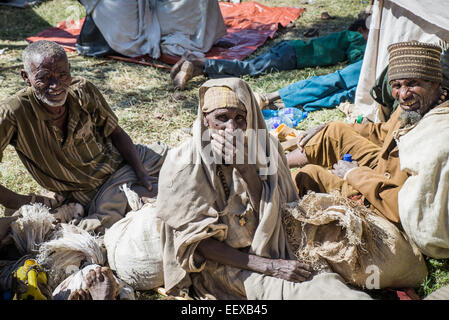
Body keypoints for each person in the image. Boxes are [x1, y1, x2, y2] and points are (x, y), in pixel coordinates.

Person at [154, 77, 371, 300]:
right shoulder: (184, 163)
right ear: (205, 120)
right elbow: (199, 244)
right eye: (221, 118)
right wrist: (271, 267)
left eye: (239, 118)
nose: (231, 129)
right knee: (314, 293)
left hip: (273, 249)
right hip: (222, 267)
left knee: (331, 280)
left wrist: (247, 170)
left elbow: (277, 219)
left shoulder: (265, 148)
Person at [0, 40, 168, 235]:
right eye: (44, 78)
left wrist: (141, 172)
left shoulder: (82, 90)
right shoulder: (14, 113)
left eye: (62, 75)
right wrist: (20, 201)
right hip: (96, 191)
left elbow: (117, 133)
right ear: (26, 78)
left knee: (187, 164)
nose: (56, 85)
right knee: (112, 224)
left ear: (69, 71)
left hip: (127, 162)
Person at [286, 41, 448, 225]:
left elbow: (405, 206)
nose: (403, 94)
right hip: (382, 167)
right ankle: (271, 166)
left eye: (413, 84)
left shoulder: (439, 134)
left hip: (384, 198)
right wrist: (331, 125)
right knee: (334, 131)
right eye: (396, 85)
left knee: (308, 176)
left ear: (435, 83)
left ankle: (267, 193)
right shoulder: (414, 106)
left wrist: (354, 174)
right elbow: (383, 133)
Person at [170, 17, 369, 90]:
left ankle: (195, 68)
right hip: (291, 55)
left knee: (250, 67)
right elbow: (360, 60)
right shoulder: (356, 37)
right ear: (362, 30)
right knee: (249, 69)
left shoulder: (344, 36)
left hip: (288, 49)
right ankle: (199, 61)